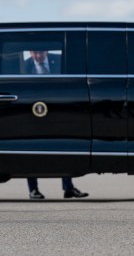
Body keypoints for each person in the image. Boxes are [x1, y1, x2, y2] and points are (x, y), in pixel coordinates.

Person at [21, 50, 88, 200]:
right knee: (32, 150)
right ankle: (33, 190)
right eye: (35, 53)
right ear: (30, 53)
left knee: (63, 146)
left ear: (46, 51)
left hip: (57, 108)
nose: (38, 56)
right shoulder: (24, 66)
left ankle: (68, 188)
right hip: (33, 109)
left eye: (41, 53)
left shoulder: (59, 61)